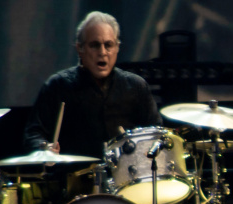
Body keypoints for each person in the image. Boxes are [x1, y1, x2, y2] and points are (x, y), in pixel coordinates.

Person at [23, 11, 162, 159]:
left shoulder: (136, 86)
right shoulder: (57, 86)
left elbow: (156, 134)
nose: (102, 52)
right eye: (94, 45)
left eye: (108, 45)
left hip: (125, 171)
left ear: (117, 48)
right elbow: (33, 135)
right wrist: (45, 148)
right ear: (80, 49)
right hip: (76, 172)